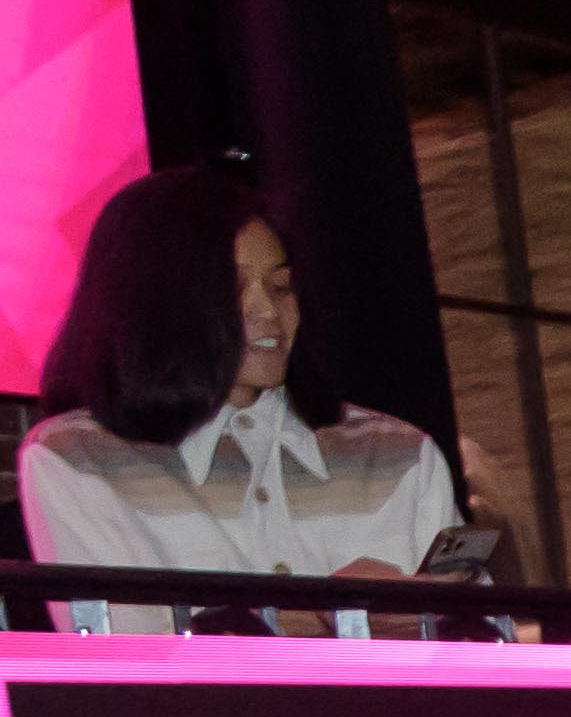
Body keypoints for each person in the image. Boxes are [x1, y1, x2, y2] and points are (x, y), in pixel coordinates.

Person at [19, 165, 459, 637]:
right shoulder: (76, 457)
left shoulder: (399, 453)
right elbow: (128, 659)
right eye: (233, 288)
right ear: (157, 301)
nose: (269, 312)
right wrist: (328, 615)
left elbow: (475, 647)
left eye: (281, 286)